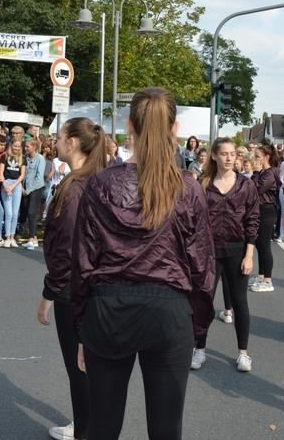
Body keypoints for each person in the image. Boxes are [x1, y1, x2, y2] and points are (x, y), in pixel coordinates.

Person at [71, 88, 215, 440]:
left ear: (129, 126)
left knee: (101, 428)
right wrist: (196, 327)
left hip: (109, 309)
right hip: (168, 311)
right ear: (175, 128)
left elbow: (83, 262)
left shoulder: (101, 184)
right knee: (166, 430)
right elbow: (203, 268)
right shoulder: (187, 188)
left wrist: (82, 327)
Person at [38, 117, 107, 440]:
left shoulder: (77, 187)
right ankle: (87, 425)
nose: (55, 142)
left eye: (60, 136)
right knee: (87, 364)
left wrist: (49, 293)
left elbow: (68, 247)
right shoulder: (94, 179)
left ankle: (85, 429)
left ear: (73, 142)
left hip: (74, 288)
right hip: (90, 286)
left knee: (79, 365)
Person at [191, 137, 259, 372]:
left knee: (240, 302)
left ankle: (243, 354)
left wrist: (249, 255)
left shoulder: (246, 185)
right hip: (208, 253)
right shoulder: (203, 183)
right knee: (204, 302)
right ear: (214, 155)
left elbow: (252, 221)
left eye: (232, 154)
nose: (229, 158)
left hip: (237, 251)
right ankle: (199, 349)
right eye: (224, 154)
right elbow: (194, 219)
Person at [249, 143, 281, 292]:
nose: (255, 159)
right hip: (260, 210)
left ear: (266, 157)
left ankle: (268, 280)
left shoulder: (270, 173)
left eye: (258, 156)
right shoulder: (264, 172)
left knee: (265, 246)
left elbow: (256, 189)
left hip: (267, 211)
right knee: (259, 245)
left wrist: (255, 172)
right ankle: (261, 276)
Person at [0, 139, 26, 247]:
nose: (17, 148)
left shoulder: (22, 158)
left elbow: (22, 175)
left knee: (15, 213)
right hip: (6, 183)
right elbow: (1, 173)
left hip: (17, 185)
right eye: (15, 146)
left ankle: (12, 237)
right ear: (11, 146)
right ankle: (7, 236)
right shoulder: (4, 157)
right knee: (8, 213)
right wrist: (5, 186)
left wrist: (13, 187)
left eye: (19, 146)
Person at [21, 138, 46, 250]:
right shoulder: (25, 158)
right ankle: (34, 238)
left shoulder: (40, 158)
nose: (26, 148)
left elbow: (39, 178)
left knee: (32, 212)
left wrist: (28, 190)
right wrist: (22, 188)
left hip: (36, 188)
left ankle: (31, 239)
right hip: (25, 188)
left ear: (34, 147)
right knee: (27, 212)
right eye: (25, 146)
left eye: (28, 146)